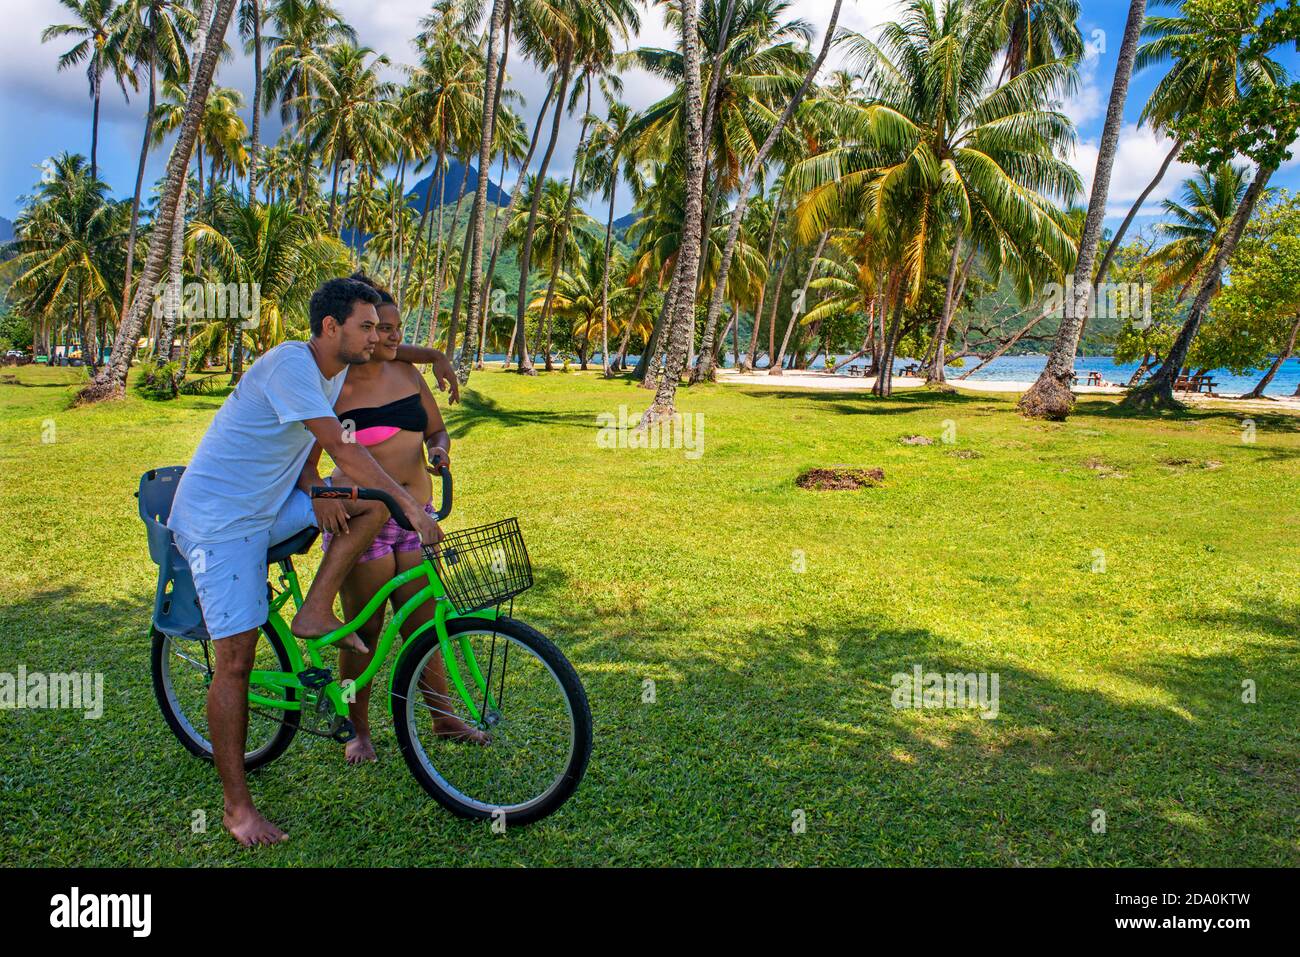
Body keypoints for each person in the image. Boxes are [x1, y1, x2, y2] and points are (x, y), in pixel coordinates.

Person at [167, 276, 458, 847]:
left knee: (367, 509)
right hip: (221, 523)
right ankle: (237, 810)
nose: (377, 339)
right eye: (367, 327)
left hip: (271, 505)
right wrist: (409, 505)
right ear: (332, 328)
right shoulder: (292, 367)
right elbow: (343, 449)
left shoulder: (336, 364)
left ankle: (314, 611)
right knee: (235, 663)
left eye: (379, 327)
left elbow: (399, 352)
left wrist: (437, 355)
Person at [311, 274, 486, 764]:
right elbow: (310, 454)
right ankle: (356, 729)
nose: (387, 338)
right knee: (363, 632)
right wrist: (320, 492)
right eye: (378, 329)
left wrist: (439, 450)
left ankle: (443, 716)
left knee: (423, 623)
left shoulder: (408, 375)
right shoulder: (333, 386)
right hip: (363, 521)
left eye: (394, 329)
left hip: (418, 517)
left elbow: (437, 429)